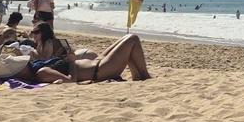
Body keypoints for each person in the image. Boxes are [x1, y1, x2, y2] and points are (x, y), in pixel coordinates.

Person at [15, 23, 151, 83]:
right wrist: (72, 61)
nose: (24, 63)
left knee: (125, 39)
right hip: (99, 70)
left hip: (98, 63)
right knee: (132, 38)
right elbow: (71, 80)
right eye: (21, 65)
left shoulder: (39, 66)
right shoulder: (41, 72)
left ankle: (137, 75)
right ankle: (144, 76)